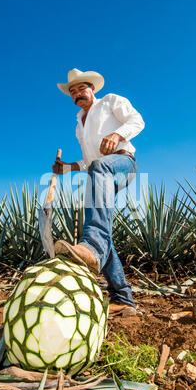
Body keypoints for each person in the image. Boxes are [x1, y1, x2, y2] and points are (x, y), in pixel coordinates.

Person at [53, 68, 145, 317]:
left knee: (100, 167)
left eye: (81, 88)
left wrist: (116, 135)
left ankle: (91, 247)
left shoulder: (111, 101)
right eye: (72, 91)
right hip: (100, 171)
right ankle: (123, 298)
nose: (77, 94)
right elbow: (88, 161)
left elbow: (137, 121)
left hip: (123, 163)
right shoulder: (79, 126)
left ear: (92, 88)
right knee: (101, 227)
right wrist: (69, 168)